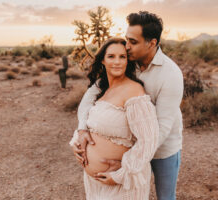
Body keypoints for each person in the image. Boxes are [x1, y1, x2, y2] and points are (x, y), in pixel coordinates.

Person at [71, 11, 184, 200]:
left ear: (152, 43)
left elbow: (162, 128)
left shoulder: (170, 75)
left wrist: (127, 164)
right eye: (126, 40)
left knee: (165, 197)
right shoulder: (125, 63)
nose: (127, 46)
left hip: (163, 149)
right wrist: (82, 130)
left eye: (133, 42)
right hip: (134, 145)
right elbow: (88, 99)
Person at [70, 37, 159, 199]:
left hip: (121, 185)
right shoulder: (102, 87)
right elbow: (88, 117)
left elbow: (149, 140)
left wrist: (122, 174)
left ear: (128, 60)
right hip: (94, 183)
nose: (117, 61)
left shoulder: (134, 91)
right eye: (111, 56)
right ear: (103, 60)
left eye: (122, 56)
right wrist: (78, 138)